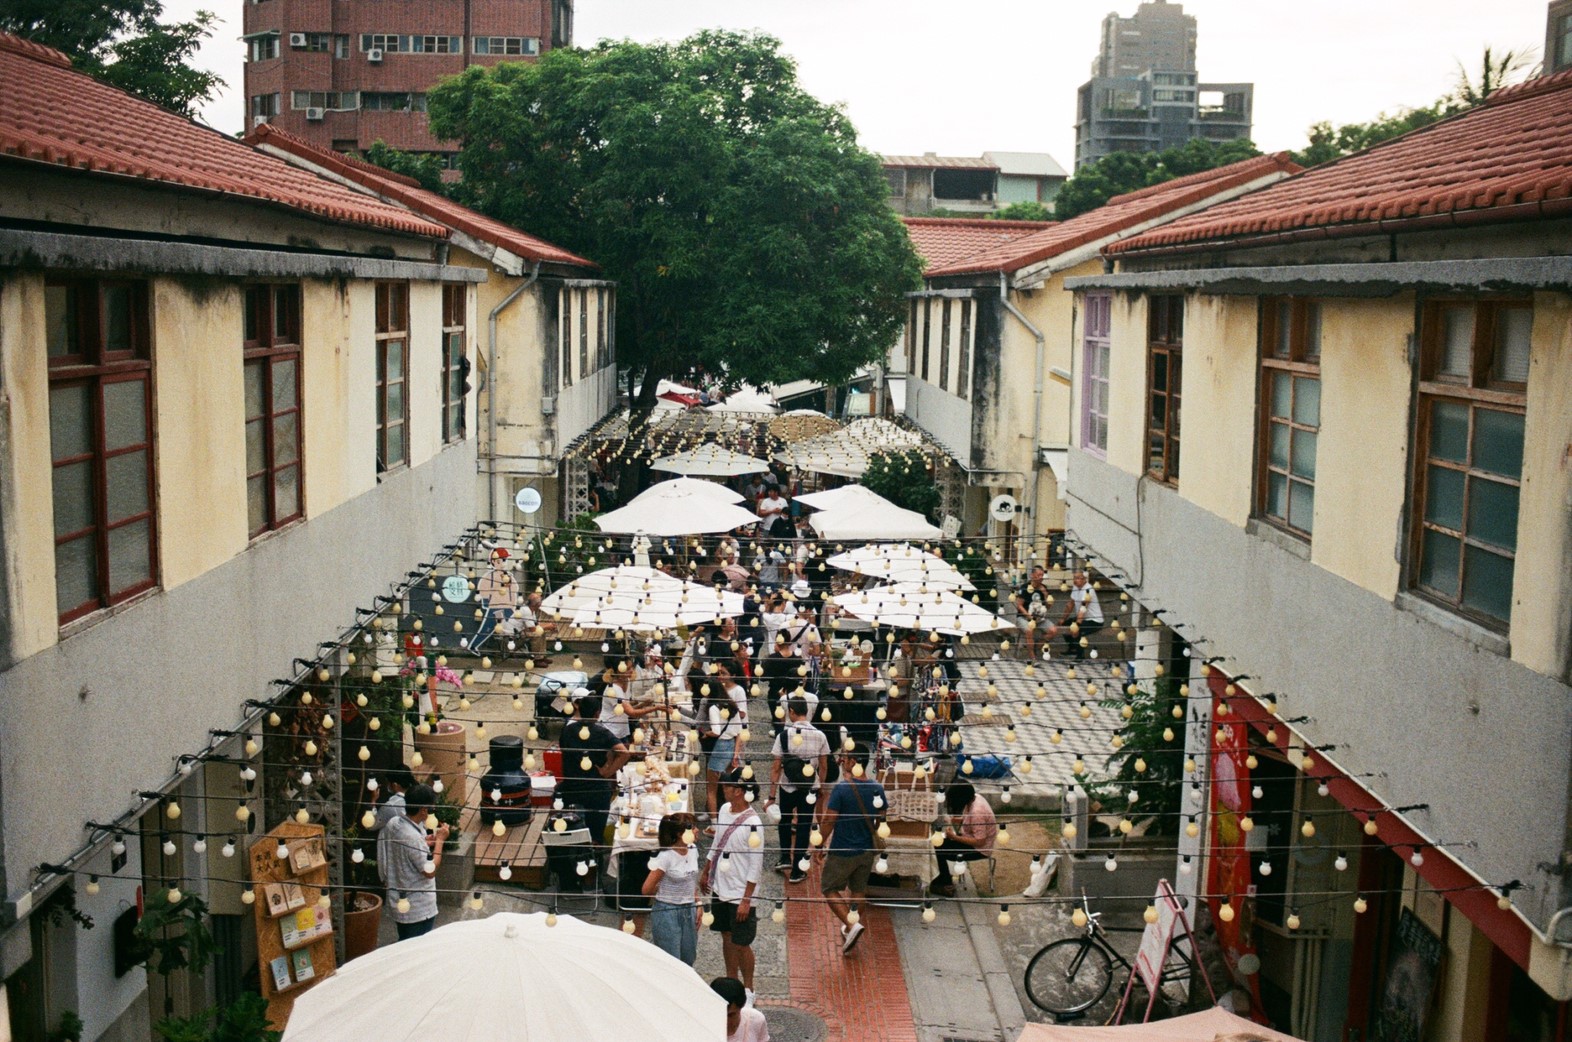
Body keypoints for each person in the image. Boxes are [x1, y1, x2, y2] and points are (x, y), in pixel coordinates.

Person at [813, 740, 887, 954]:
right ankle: (849, 926)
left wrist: (819, 845)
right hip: (866, 851)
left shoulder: (842, 789)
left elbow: (828, 821)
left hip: (843, 850)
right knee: (858, 890)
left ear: (855, 762)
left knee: (829, 887)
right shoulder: (876, 788)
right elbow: (880, 821)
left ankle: (852, 924)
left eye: (845, 758)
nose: (842, 760)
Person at [700, 769, 763, 996]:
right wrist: (706, 869)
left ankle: (748, 989)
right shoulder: (725, 810)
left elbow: (756, 865)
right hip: (720, 886)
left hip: (740, 893)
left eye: (727, 786)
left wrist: (746, 900)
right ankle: (730, 981)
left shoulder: (754, 824)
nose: (723, 789)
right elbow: (717, 842)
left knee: (742, 943)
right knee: (726, 936)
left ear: (738, 791)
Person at [767, 695, 831, 883]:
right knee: (804, 826)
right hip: (809, 788)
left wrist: (771, 795)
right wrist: (821, 786)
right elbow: (824, 765)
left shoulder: (784, 736)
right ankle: (798, 870)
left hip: (787, 786)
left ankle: (785, 857)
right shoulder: (820, 735)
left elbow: (776, 767)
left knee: (785, 821)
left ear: (792, 712)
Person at [558, 691, 631, 851]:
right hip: (596, 789)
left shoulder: (567, 731)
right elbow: (624, 753)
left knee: (571, 828)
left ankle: (573, 851)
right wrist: (607, 770)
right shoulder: (601, 732)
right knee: (595, 835)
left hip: (572, 787)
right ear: (597, 713)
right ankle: (594, 857)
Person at [377, 783, 448, 940]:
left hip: (400, 901)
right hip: (418, 909)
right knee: (416, 950)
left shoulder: (394, 823)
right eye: (431, 808)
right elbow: (429, 871)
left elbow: (408, 848)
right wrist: (440, 842)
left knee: (404, 943)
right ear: (423, 810)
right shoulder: (412, 837)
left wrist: (425, 841)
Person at [642, 813, 701, 965]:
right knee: (671, 961)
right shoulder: (665, 857)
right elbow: (646, 889)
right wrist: (664, 890)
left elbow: (691, 879)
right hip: (668, 911)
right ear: (679, 834)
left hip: (689, 909)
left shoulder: (693, 849)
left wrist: (698, 903)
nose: (697, 830)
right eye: (692, 827)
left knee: (689, 957)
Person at [930, 781, 998, 898]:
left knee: (939, 848)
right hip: (970, 838)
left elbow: (980, 841)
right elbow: (971, 820)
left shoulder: (977, 812)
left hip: (979, 849)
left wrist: (954, 837)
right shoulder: (975, 797)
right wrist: (958, 820)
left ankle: (945, 881)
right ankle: (942, 876)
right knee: (937, 842)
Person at [700, 664, 749, 822]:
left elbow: (716, 731)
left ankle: (714, 824)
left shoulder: (714, 708)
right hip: (731, 746)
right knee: (729, 787)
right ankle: (731, 818)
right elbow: (739, 731)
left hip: (720, 746)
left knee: (711, 789)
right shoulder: (732, 706)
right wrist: (736, 754)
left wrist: (706, 733)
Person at [598, 661, 662, 742]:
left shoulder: (627, 682)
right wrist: (657, 708)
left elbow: (626, 706)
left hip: (621, 730)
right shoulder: (613, 690)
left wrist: (642, 703)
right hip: (610, 731)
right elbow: (632, 713)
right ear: (618, 671)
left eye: (632, 667)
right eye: (628, 669)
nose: (631, 670)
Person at [470, 547, 517, 652]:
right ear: (493, 562)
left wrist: (513, 605)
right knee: (488, 628)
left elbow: (513, 591)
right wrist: (487, 603)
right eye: (501, 560)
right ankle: (474, 646)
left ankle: (511, 647)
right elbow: (483, 591)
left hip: (508, 606)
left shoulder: (509, 576)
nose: (503, 563)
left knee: (513, 626)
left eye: (505, 560)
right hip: (495, 606)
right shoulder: (490, 576)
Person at [1060, 570, 1105, 660]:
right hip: (1083, 618)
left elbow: (1083, 609)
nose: (1075, 580)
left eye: (1078, 578)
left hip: (1095, 621)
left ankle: (1080, 656)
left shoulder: (1088, 590)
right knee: (1065, 625)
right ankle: (1072, 649)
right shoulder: (1075, 587)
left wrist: (1078, 623)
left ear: (1084, 579)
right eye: (1074, 578)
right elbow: (1070, 604)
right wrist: (1063, 619)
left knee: (1077, 630)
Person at [711, 977, 769, 1042]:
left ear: (742, 1006)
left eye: (731, 1015)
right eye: (721, 1014)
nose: (726, 1020)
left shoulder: (756, 1019)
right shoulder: (702, 1026)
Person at [1013, 566, 1053, 660]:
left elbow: (1048, 607)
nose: (1041, 577)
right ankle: (1032, 658)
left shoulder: (1044, 588)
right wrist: (1029, 617)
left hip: (1039, 619)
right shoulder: (1024, 588)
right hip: (1023, 618)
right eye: (1039, 575)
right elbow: (1019, 605)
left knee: (1053, 631)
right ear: (1032, 575)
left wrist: (1046, 595)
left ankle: (1035, 647)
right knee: (1029, 630)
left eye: (1042, 575)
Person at [368, 764, 417, 832]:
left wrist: (373, 801)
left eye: (388, 783)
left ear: (394, 785)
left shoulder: (391, 806)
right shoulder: (418, 798)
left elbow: (371, 825)